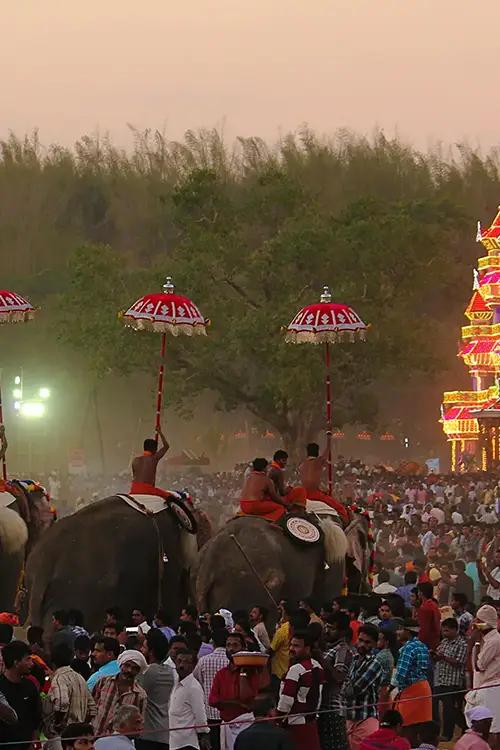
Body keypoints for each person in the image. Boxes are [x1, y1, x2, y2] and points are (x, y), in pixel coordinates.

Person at [209, 632, 262, 750]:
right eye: (228, 645)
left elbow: (247, 698)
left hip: (246, 726)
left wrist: (243, 672)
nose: (231, 649)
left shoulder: (253, 672)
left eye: (235, 645)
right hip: (226, 726)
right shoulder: (221, 673)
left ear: (243, 648)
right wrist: (236, 703)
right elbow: (212, 700)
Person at [277, 631, 325, 750]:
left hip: (295, 724)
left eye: (296, 646)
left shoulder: (296, 669)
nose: (292, 649)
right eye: (291, 645)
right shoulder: (318, 666)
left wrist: (279, 719)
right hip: (311, 722)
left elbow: (286, 700)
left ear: (307, 649)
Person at [339, 624, 383, 750]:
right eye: (361, 640)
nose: (363, 644)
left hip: (365, 718)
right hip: (349, 717)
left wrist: (341, 682)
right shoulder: (355, 659)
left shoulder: (375, 664)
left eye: (367, 642)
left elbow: (351, 690)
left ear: (374, 644)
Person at [44, 643, 96, 744]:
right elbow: (92, 709)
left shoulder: (59, 678)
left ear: (52, 662)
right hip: (79, 737)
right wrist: (81, 725)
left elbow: (62, 703)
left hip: (63, 737)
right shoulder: (80, 678)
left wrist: (58, 723)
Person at [319, 612, 354, 750]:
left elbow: (339, 677)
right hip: (324, 705)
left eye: (332, 628)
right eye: (326, 627)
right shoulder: (329, 647)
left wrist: (321, 660)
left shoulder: (342, 650)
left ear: (343, 632)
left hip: (334, 708)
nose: (327, 631)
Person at [392, 620, 431, 742]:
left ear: (407, 632)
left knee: (406, 728)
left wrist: (389, 689)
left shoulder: (408, 648)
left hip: (411, 690)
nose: (398, 632)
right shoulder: (422, 646)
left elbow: (401, 674)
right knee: (420, 728)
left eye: (401, 629)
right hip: (424, 688)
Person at [92, 650, 147, 736]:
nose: (129, 670)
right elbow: (91, 706)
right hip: (95, 735)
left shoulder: (140, 695)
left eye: (134, 668)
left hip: (117, 741)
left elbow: (139, 724)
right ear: (121, 665)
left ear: (138, 671)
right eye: (127, 665)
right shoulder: (103, 682)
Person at [136, 630, 174, 750]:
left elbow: (136, 691)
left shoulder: (149, 672)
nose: (141, 650)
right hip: (166, 732)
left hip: (149, 734)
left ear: (151, 652)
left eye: (144, 647)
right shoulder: (169, 670)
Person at [0, 641, 42, 750]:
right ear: (16, 662)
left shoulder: (30, 686)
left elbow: (36, 718)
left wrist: (34, 743)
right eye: (27, 659)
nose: (32, 664)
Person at [468, 604, 500, 741]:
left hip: (491, 689)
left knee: (492, 730)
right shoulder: (486, 639)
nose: (474, 623)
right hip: (483, 687)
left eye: (478, 621)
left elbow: (479, 666)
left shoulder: (494, 640)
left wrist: (474, 642)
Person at [193, 628, 229, 750]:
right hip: (228, 713)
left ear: (213, 642)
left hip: (208, 712)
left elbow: (196, 681)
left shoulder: (203, 661)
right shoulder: (232, 661)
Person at [432, 617, 467, 741]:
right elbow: (438, 657)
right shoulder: (444, 642)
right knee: (438, 707)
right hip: (440, 680)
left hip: (453, 682)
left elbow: (459, 662)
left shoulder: (462, 644)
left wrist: (443, 657)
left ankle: (449, 734)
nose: (444, 633)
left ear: (455, 630)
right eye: (443, 631)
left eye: (446, 631)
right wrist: (435, 655)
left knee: (450, 710)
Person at [298, 440, 349, 522]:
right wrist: (329, 439)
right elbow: (327, 451)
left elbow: (309, 480)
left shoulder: (302, 464)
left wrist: (322, 488)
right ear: (317, 452)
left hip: (302, 494)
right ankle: (344, 527)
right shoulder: (317, 461)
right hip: (314, 494)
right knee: (341, 509)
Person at [169, 649, 210, 750]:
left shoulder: (193, 688)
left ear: (193, 666)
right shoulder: (176, 683)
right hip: (174, 742)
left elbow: (200, 717)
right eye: (179, 661)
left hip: (187, 744)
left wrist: (203, 734)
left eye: (186, 662)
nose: (181, 665)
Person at [239, 457, 289, 522]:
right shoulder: (266, 480)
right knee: (280, 508)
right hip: (254, 505)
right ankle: (266, 522)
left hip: (243, 505)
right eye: (267, 467)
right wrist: (286, 504)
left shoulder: (248, 477)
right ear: (264, 468)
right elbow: (275, 497)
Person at [130, 427, 170, 498]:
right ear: (154, 450)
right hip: (147, 490)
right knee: (170, 496)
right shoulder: (154, 458)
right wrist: (160, 432)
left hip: (133, 489)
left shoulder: (135, 460)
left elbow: (135, 476)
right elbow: (166, 446)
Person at [269, 600, 292, 693]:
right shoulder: (283, 627)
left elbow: (271, 649)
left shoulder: (283, 630)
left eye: (280, 609)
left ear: (285, 612)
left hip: (279, 672)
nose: (278, 611)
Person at [416, 583, 441, 651]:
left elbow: (424, 629)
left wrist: (419, 643)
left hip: (428, 643)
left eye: (418, 591)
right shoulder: (434, 605)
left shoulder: (425, 607)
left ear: (421, 593)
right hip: (435, 640)